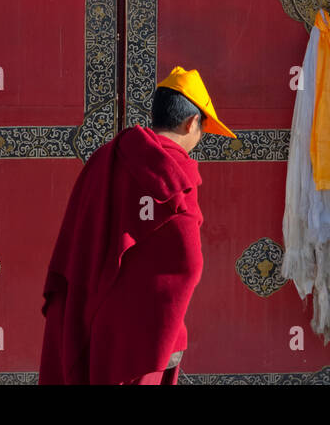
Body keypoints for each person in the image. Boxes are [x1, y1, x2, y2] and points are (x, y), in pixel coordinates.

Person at [39, 67, 235, 385]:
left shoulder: (104, 159)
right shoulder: (177, 172)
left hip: (88, 316)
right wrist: (169, 333)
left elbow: (75, 239)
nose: (199, 139)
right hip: (144, 337)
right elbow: (189, 263)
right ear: (191, 123)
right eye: (203, 130)